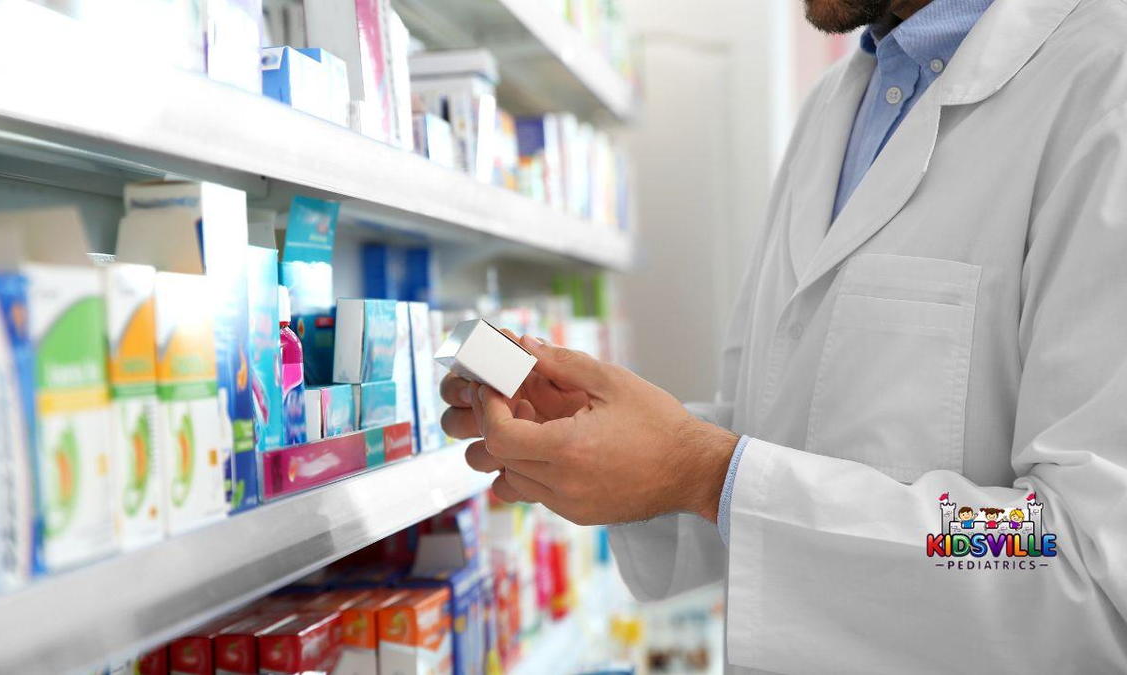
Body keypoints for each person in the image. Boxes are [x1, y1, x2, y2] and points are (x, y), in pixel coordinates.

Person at [439, 0, 1127, 670]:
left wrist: (707, 473)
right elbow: (776, 439)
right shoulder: (836, 103)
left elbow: (1078, 560)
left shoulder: (1104, 83)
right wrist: (637, 456)